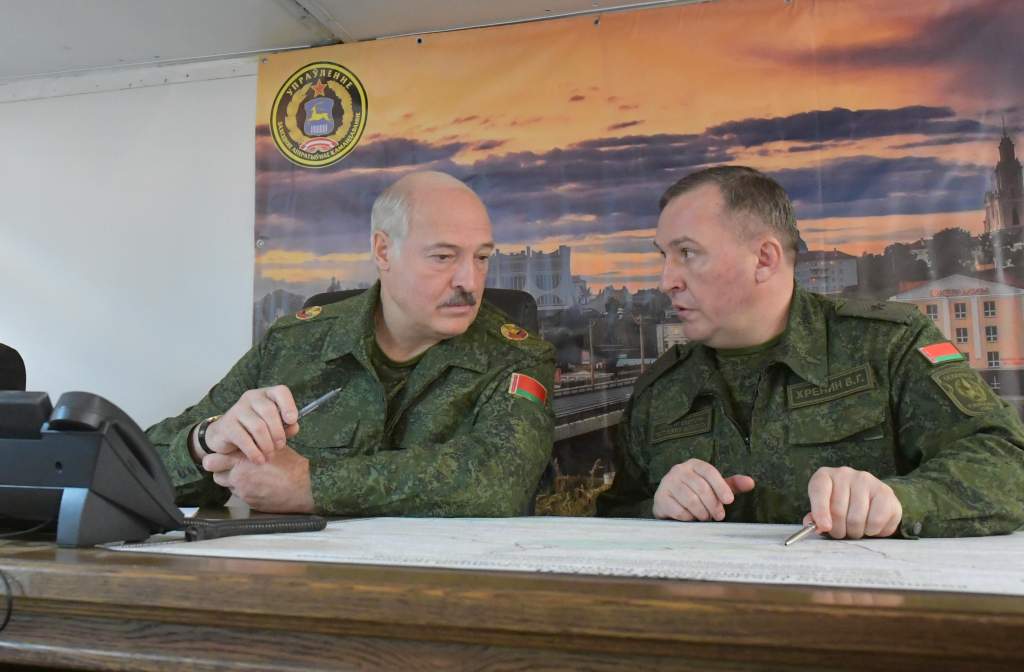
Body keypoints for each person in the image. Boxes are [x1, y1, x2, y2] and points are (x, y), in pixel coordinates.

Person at [597, 166, 1024, 538]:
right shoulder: (660, 391)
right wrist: (656, 509)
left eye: (687, 253)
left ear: (764, 259)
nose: (666, 280)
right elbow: (612, 518)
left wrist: (898, 501)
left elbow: (1006, 462)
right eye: (665, 256)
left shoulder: (886, 346)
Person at [147, 171, 555, 516]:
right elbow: (140, 468)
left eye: (481, 258)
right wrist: (207, 440)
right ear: (383, 251)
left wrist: (310, 485)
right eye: (444, 257)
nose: (469, 281)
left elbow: (500, 481)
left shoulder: (515, 357)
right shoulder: (294, 345)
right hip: (293, 579)